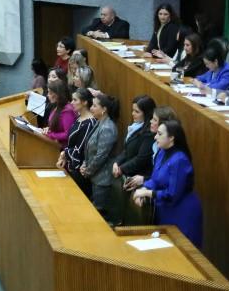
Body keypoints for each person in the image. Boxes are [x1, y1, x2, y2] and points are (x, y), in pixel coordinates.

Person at [133, 120, 204, 248]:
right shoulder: (162, 152)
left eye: (160, 134)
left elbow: (172, 194)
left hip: (182, 213)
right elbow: (155, 179)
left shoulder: (179, 160)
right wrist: (144, 188)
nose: (155, 137)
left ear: (171, 138)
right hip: (165, 210)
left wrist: (147, 193)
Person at [80, 94, 120, 222]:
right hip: (95, 176)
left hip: (103, 180)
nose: (91, 108)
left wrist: (88, 170)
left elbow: (101, 156)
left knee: (99, 217)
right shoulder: (100, 122)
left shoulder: (108, 128)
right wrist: (84, 164)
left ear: (104, 109)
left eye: (94, 105)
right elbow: (90, 148)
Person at [58, 88, 98, 195]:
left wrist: (64, 153)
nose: (71, 103)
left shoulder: (89, 123)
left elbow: (79, 151)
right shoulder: (80, 117)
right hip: (72, 167)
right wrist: (65, 155)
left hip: (80, 173)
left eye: (75, 100)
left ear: (84, 102)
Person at [113, 95, 156, 182]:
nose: (133, 114)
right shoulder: (134, 126)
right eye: (133, 110)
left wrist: (121, 169)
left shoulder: (149, 133)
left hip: (139, 178)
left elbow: (140, 159)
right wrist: (116, 162)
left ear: (147, 113)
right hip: (128, 174)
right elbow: (126, 150)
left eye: (137, 112)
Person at [40, 81, 77, 145]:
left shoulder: (67, 111)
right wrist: (49, 129)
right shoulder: (57, 106)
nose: (48, 95)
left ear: (58, 94)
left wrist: (51, 134)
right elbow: (57, 126)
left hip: (61, 147)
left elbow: (68, 134)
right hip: (54, 143)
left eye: (50, 93)